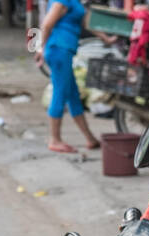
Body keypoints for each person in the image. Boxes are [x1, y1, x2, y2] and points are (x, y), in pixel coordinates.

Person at [35, 0, 100, 153]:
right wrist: (39, 50)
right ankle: (55, 139)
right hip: (58, 49)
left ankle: (90, 138)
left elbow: (87, 23)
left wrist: (107, 38)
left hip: (65, 51)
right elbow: (46, 24)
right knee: (60, 93)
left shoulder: (76, 2)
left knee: (73, 95)